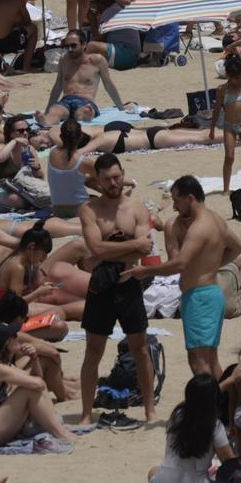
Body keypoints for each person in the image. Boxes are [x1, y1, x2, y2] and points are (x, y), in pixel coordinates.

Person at [74, 153, 160, 426]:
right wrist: (125, 247)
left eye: (117, 176)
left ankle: (149, 410)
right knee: (93, 350)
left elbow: (144, 248)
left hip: (129, 281)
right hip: (101, 285)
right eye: (107, 179)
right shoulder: (89, 210)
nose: (113, 183)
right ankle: (87, 413)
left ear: (123, 174)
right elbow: (95, 248)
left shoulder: (136, 209)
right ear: (97, 181)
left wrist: (107, 250)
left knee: (141, 349)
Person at [132, 174, 241, 380]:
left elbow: (180, 264)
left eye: (176, 200)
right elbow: (237, 247)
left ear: (190, 198)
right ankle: (220, 405)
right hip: (210, 295)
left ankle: (211, 407)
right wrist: (209, 265)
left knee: (198, 362)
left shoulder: (199, 227)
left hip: (199, 298)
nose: (174, 206)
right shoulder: (216, 220)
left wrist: (145, 271)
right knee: (210, 360)